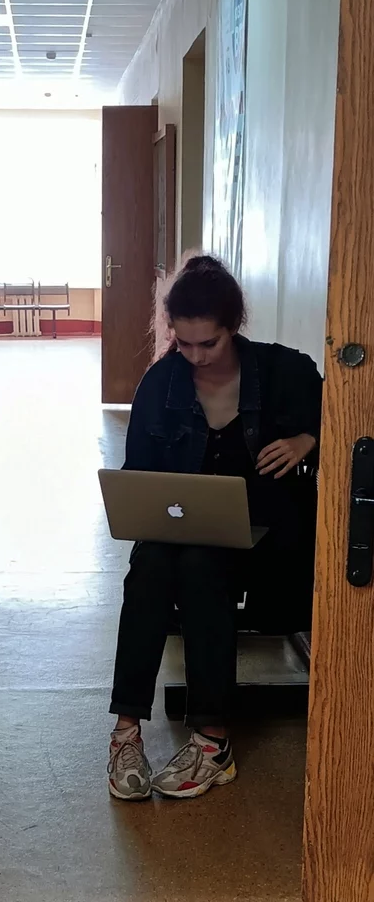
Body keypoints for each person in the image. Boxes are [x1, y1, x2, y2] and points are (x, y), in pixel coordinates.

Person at [108, 254, 322, 802]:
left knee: (204, 567)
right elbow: (139, 477)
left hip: (271, 537)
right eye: (184, 344)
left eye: (210, 344)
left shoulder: (284, 371)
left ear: (234, 328)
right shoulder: (163, 383)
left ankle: (213, 741)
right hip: (189, 530)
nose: (196, 357)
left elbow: (347, 410)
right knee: (150, 563)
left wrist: (307, 440)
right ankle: (126, 730)